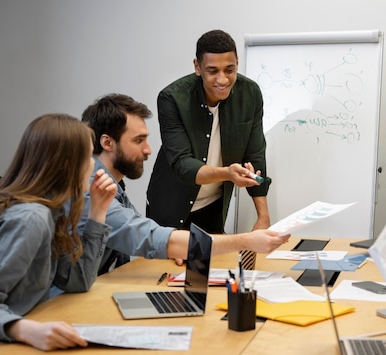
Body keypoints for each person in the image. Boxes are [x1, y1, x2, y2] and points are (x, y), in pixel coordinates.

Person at [80, 93, 287, 274]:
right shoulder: (91, 188)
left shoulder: (111, 185)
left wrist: (172, 247)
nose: (148, 150)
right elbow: (149, 237)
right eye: (138, 140)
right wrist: (246, 241)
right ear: (107, 143)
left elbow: (146, 231)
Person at [0, 113, 117, 351]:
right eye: (88, 156)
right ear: (67, 165)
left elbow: (76, 281)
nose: (93, 164)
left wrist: (98, 212)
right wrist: (26, 330)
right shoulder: (30, 219)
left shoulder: (52, 211)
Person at [146, 29, 270, 234]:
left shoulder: (250, 94)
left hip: (213, 205)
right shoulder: (172, 98)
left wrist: (263, 217)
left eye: (229, 70)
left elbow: (255, 155)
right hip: (170, 207)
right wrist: (227, 174)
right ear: (197, 67)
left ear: (237, 62)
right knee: (169, 266)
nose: (222, 80)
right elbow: (182, 165)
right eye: (213, 71)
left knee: (214, 265)